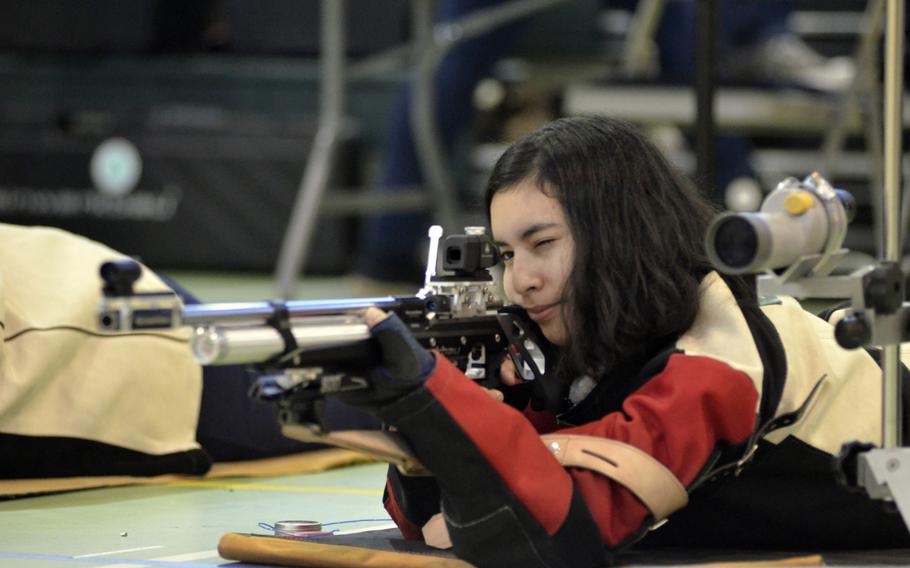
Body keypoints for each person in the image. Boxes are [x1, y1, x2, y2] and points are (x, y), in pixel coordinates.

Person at [331, 115, 910, 566]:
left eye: (544, 243)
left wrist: (436, 400)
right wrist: (428, 427)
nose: (519, 280)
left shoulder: (721, 356)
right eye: (508, 254)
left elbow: (560, 533)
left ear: (618, 234)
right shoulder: (586, 352)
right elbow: (422, 524)